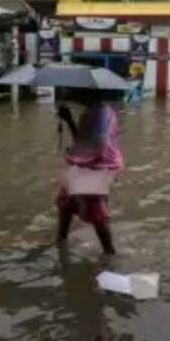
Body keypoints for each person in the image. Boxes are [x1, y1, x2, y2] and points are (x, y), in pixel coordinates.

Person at [55, 89, 124, 255]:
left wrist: (76, 154)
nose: (73, 96)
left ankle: (109, 254)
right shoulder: (93, 112)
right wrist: (70, 120)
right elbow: (83, 139)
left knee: (96, 214)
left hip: (97, 167)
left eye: (76, 93)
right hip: (85, 164)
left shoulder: (100, 115)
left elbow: (100, 145)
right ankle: (61, 241)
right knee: (66, 203)